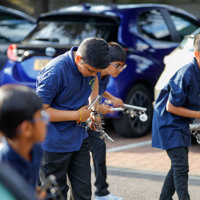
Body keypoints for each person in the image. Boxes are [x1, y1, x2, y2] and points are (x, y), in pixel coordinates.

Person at [36, 37, 111, 200]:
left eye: (96, 71)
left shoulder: (91, 66)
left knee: (83, 193)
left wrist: (94, 110)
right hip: (53, 143)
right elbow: (39, 112)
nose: (93, 74)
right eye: (91, 70)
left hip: (79, 139)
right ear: (78, 59)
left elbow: (95, 82)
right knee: (55, 195)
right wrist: (77, 115)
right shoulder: (55, 71)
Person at [152, 33, 200, 200]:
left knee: (178, 165)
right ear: (198, 55)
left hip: (181, 122)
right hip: (168, 121)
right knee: (181, 166)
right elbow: (170, 107)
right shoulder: (186, 73)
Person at [88, 42, 127, 200]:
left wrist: (112, 98)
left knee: (99, 150)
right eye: (117, 65)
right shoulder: (93, 73)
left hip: (91, 119)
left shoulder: (105, 75)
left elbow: (100, 92)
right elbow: (90, 99)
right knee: (80, 161)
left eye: (122, 66)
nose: (120, 70)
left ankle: (101, 192)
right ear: (105, 62)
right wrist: (101, 108)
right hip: (81, 119)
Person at [0, 84, 48, 199]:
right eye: (41, 117)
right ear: (26, 129)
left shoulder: (35, 149)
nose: (46, 121)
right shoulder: (4, 168)